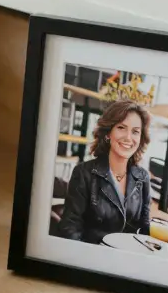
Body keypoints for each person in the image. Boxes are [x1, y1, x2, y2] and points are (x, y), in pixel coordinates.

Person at [57, 99, 152, 245]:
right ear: (108, 134)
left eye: (135, 131)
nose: (128, 137)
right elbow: (70, 229)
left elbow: (145, 230)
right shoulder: (83, 173)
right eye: (121, 128)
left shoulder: (143, 177)